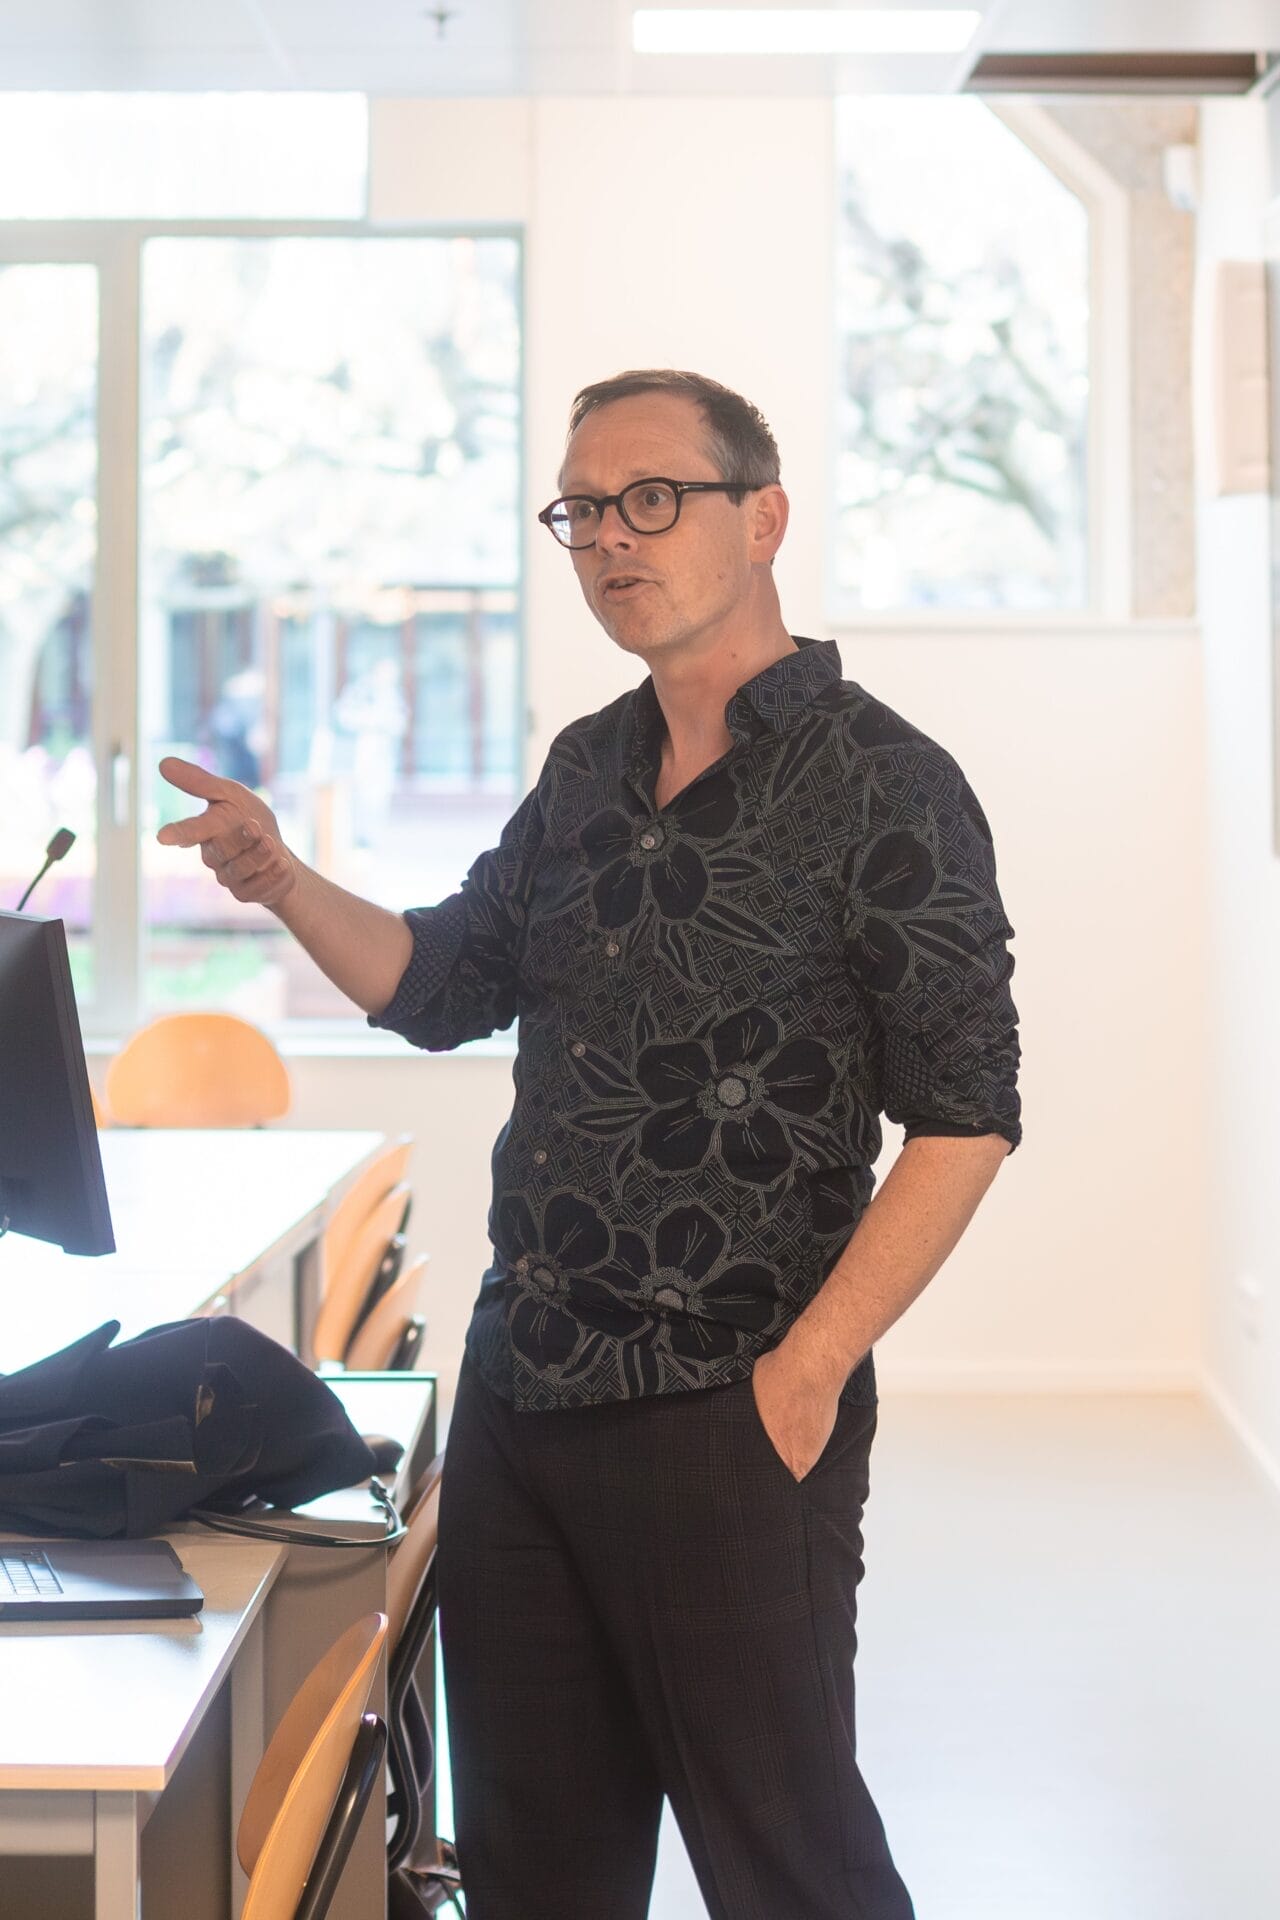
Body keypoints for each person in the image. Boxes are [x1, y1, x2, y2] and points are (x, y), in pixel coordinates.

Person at [157, 368, 1022, 1920]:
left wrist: (809, 1373)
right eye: (582, 511)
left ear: (764, 518)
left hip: (731, 1413)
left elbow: (967, 1116)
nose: (613, 537)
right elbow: (438, 983)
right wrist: (280, 876)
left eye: (653, 499)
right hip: (523, 1398)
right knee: (538, 1874)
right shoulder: (586, 768)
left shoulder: (887, 785)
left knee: (793, 1872)